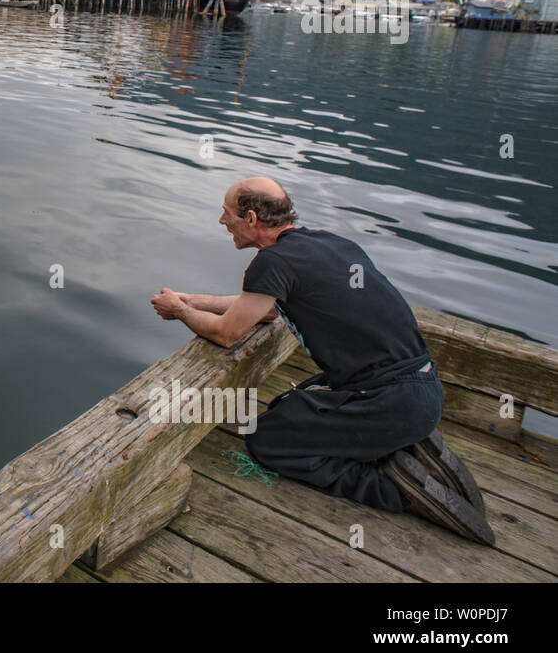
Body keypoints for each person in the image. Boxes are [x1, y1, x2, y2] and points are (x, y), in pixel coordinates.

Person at [150, 177, 494, 545]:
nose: (222, 221)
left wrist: (179, 311)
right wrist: (191, 301)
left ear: (251, 219)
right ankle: (401, 442)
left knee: (267, 439)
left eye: (226, 213)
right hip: (421, 389)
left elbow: (225, 334)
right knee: (288, 405)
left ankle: (396, 487)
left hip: (387, 401)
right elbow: (262, 311)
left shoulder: (271, 261)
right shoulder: (329, 244)